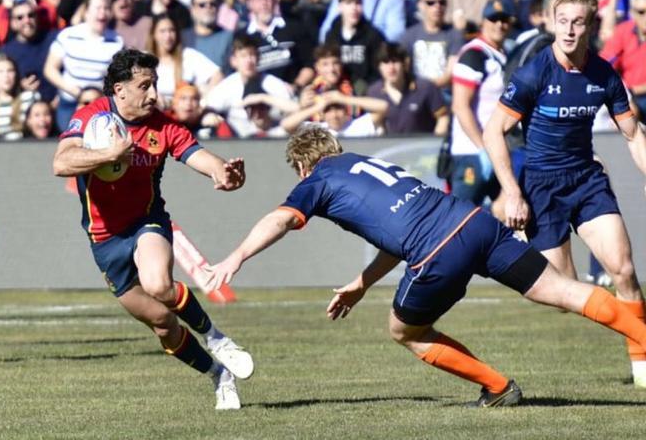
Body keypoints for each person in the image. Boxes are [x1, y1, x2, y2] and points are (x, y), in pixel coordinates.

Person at [206, 125, 646, 405]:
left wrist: (236, 255)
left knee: (404, 331)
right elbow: (396, 235)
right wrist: (361, 284)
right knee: (564, 291)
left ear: (302, 166)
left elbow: (281, 218)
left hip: (439, 251)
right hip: (475, 222)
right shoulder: (366, 162)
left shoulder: (317, 179)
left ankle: (498, 387)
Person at [52, 48, 254, 410]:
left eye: (155, 84)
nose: (153, 94)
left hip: (147, 221)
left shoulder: (164, 125)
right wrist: (108, 155)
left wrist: (223, 172)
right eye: (144, 85)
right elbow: (62, 162)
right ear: (120, 90)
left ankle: (216, 337)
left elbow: (199, 156)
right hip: (104, 240)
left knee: (159, 283)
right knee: (163, 323)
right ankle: (218, 375)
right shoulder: (91, 118)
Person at [484, 0, 646, 387]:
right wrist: (513, 192)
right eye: (562, 21)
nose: (569, 30)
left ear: (591, 25)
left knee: (624, 269)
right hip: (541, 188)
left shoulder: (604, 73)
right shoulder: (534, 72)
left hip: (587, 180)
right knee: (562, 294)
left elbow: (633, 134)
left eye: (577, 22)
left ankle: (641, 363)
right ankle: (619, 317)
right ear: (552, 23)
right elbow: (493, 132)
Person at [449, 1, 512, 206]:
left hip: (499, 150)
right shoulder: (473, 54)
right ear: (483, 22)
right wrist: (482, 148)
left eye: (503, 20)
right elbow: (460, 105)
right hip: (473, 152)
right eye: (493, 19)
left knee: (511, 214)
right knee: (461, 217)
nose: (499, 25)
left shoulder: (503, 54)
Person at [43, 0, 124, 131]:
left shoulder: (117, 41)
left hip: (100, 103)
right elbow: (50, 69)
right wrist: (74, 91)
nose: (102, 13)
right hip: (70, 100)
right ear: (86, 12)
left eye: (106, 8)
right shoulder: (68, 36)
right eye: (98, 8)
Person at [367, 43, 449, 136]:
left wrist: (435, 143)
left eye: (395, 61)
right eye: (385, 62)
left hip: (421, 147)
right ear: (379, 67)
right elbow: (374, 125)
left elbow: (443, 118)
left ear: (405, 64)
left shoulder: (425, 87)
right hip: (388, 148)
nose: (391, 68)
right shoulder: (374, 92)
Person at [398, 0, 465, 98]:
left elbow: (449, 75)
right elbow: (405, 69)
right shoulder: (409, 35)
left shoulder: (455, 35)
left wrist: (424, 87)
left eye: (442, 2)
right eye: (431, 3)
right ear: (420, 5)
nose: (437, 6)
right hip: (414, 93)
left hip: (443, 94)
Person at [146, 13, 221, 106]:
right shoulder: (145, 59)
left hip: (185, 112)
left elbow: (217, 75)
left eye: (172, 30)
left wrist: (203, 100)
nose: (168, 36)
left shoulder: (188, 55)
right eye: (162, 31)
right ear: (154, 34)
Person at [600, 0, 646, 113]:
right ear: (632, 13)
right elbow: (606, 62)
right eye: (641, 12)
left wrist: (632, 90)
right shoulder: (623, 31)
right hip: (628, 95)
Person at [182, 0, 233, 74]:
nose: (208, 8)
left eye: (213, 4)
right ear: (192, 9)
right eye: (202, 5)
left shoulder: (229, 38)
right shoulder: (181, 38)